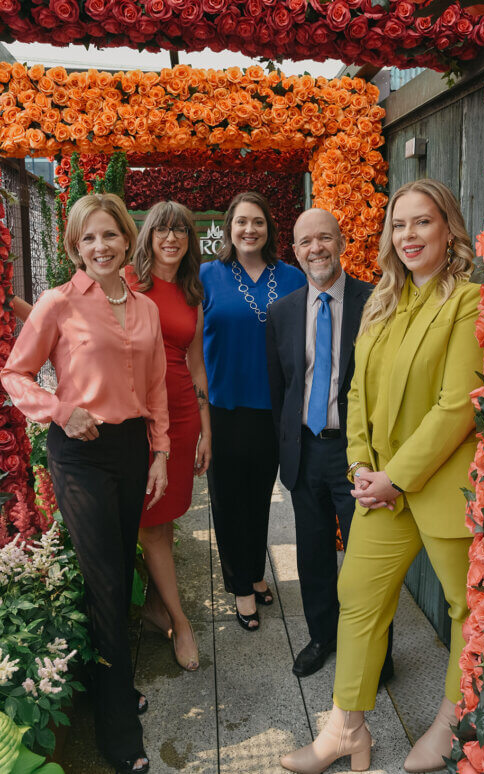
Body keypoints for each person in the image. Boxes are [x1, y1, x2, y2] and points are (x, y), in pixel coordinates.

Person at [280, 179, 483, 774]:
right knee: (359, 597)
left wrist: (395, 475)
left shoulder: (467, 301)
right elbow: (358, 392)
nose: (409, 235)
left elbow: (457, 406)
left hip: (441, 489)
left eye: (422, 223)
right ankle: (347, 729)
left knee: (464, 607)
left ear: (448, 228)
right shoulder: (382, 300)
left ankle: (450, 724)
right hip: (380, 487)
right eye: (399, 225)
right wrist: (362, 466)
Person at [1, 193, 169, 774]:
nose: (100, 247)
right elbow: (14, 373)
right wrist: (58, 409)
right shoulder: (58, 302)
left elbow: (155, 391)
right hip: (80, 450)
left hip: (130, 449)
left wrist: (162, 452)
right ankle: (120, 732)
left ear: (126, 239)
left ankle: (109, 686)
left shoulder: (145, 309)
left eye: (109, 236)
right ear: (75, 246)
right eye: (87, 239)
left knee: (121, 572)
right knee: (102, 579)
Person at [266, 208, 394, 680]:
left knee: (367, 561)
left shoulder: (378, 300)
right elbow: (280, 388)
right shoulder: (282, 313)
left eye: (324, 238)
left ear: (341, 242)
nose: (315, 248)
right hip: (306, 451)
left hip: (359, 454)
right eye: (305, 242)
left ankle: (377, 650)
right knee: (313, 553)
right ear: (294, 252)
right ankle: (322, 637)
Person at [200, 191, 306, 631]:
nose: (249, 230)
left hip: (273, 408)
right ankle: (241, 585)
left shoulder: (294, 278)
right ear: (228, 228)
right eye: (241, 222)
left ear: (269, 229)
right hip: (223, 407)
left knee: (260, 497)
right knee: (228, 501)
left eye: (258, 222)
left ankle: (257, 571)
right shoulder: (206, 275)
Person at [125, 200, 211, 671]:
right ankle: (177, 617)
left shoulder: (191, 291)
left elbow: (197, 365)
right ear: (149, 236)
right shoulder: (126, 282)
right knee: (146, 519)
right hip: (133, 414)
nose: (172, 238)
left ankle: (163, 609)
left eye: (180, 230)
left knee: (163, 517)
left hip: (181, 412)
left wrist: (207, 432)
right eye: (163, 230)